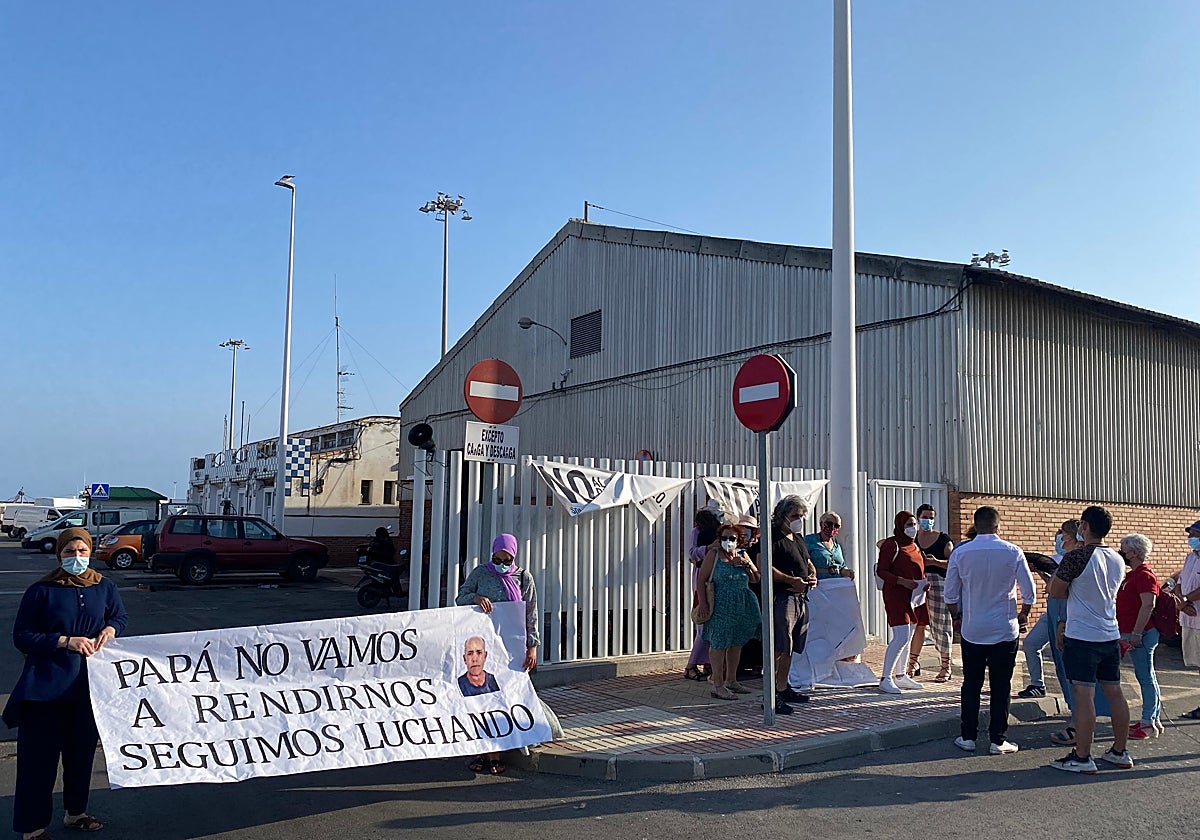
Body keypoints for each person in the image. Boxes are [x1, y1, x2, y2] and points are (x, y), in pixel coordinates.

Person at [4, 527, 128, 839]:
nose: (76, 557)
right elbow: (22, 636)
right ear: (59, 554)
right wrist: (64, 641)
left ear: (90, 552)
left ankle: (76, 812)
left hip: (88, 689)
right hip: (45, 689)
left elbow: (119, 617)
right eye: (69, 552)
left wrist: (111, 630)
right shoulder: (41, 590)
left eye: (82, 551)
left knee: (81, 756)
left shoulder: (105, 587)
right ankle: (32, 827)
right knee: (38, 762)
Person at [1047, 505, 1134, 774]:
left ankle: (1082, 756)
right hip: (1109, 633)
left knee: (1083, 695)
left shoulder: (1077, 557)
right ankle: (1120, 751)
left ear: (1084, 526)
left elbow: (1056, 591)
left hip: (1082, 635)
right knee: (1114, 691)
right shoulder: (1118, 559)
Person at [944, 506, 1036, 755]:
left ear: (976, 525)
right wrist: (1024, 614)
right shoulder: (1013, 551)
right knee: (1001, 685)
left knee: (971, 684)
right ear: (998, 526)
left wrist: (957, 618)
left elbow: (950, 593)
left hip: (973, 628)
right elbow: (1030, 592)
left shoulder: (961, 553)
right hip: (1004, 629)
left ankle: (968, 736)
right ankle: (998, 739)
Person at [455, 533, 539, 775]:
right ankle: (483, 751)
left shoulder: (523, 577)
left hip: (511, 649)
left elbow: (530, 612)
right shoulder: (481, 573)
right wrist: (476, 597)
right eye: (497, 558)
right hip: (485, 648)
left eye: (507, 558)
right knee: (483, 699)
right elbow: (460, 597)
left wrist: (532, 646)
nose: (502, 562)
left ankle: (498, 753)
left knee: (505, 698)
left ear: (514, 556)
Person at [695, 523, 761, 701]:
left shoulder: (743, 555)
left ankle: (732, 679)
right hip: (720, 604)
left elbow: (756, 578)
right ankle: (718, 684)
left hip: (741, 604)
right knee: (718, 643)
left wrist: (747, 565)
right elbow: (701, 579)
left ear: (739, 540)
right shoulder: (714, 555)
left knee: (736, 642)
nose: (727, 542)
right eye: (724, 538)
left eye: (731, 538)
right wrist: (703, 603)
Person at [765, 496, 818, 713]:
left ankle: (783, 686)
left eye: (802, 515)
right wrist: (790, 580)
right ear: (783, 516)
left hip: (801, 598)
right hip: (783, 597)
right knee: (779, 646)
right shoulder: (772, 538)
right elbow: (764, 567)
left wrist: (812, 575)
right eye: (795, 515)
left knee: (791, 647)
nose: (799, 519)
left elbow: (807, 562)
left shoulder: (798, 538)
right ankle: (771, 696)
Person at [1015, 522, 1072, 700]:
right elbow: (1052, 586)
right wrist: (1039, 571)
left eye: (1062, 535)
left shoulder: (1077, 559)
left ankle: (1074, 697)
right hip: (1051, 612)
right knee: (1031, 643)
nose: (1059, 540)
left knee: (1065, 656)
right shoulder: (1054, 559)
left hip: (1069, 614)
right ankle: (1037, 684)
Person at [1116, 534, 1162, 739]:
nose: (1121, 552)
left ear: (1134, 552)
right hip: (1132, 630)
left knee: (1145, 677)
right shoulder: (1133, 574)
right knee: (1146, 676)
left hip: (1140, 633)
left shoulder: (1144, 575)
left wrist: (1136, 633)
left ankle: (1148, 722)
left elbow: (1148, 604)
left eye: (1124, 549)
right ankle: (1151, 718)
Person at [875, 511, 926, 694]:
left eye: (914, 524)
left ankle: (901, 674)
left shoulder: (914, 545)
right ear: (899, 526)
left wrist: (923, 582)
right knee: (901, 636)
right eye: (908, 525)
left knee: (909, 634)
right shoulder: (891, 544)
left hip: (915, 596)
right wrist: (901, 581)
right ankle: (885, 677)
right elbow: (882, 571)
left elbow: (918, 567)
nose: (912, 528)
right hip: (896, 594)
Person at [907, 504, 955, 682]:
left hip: (938, 582)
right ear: (918, 518)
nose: (928, 520)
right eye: (925, 516)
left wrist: (935, 562)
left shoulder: (943, 539)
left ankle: (945, 665)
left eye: (931, 517)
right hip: (917, 583)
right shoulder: (911, 539)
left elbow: (953, 562)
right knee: (918, 623)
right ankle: (913, 663)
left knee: (941, 624)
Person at [1165, 518, 1200, 719]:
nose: (1190, 538)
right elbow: (1180, 581)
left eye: (1194, 535)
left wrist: (1186, 599)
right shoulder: (1191, 558)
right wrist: (1181, 602)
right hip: (1189, 619)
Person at [684, 506, 721, 681]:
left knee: (714, 622)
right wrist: (708, 548)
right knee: (704, 621)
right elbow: (692, 554)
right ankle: (691, 664)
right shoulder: (697, 531)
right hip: (703, 578)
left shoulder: (723, 530)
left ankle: (708, 663)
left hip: (719, 576)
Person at [805, 512, 852, 580]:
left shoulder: (837, 546)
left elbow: (842, 566)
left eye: (836, 526)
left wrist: (847, 572)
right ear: (821, 524)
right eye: (829, 524)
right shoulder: (809, 540)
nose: (832, 527)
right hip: (819, 583)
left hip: (836, 583)